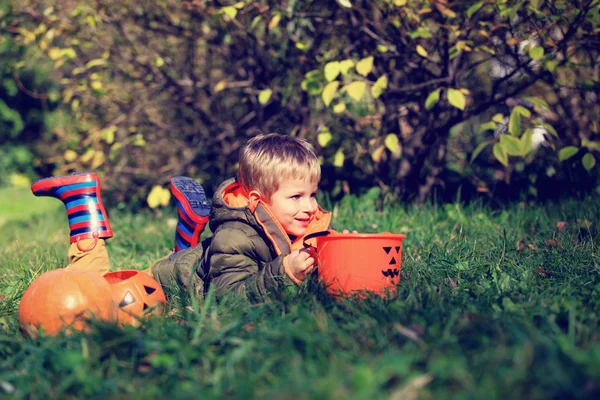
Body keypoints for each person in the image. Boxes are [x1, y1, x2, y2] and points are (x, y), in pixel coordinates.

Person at [31, 133, 331, 302]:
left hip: (189, 270)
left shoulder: (301, 225)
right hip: (157, 288)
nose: (309, 206)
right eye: (296, 197)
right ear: (257, 200)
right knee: (96, 294)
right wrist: (285, 271)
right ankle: (80, 202)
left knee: (187, 264)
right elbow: (229, 300)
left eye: (312, 194)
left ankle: (187, 235)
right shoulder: (235, 237)